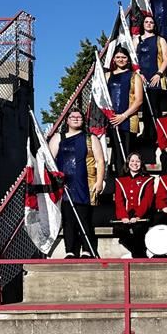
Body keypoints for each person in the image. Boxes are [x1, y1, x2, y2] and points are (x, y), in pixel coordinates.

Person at [48, 108, 105, 258]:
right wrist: (56, 181)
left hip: (84, 184)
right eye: (72, 117)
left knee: (85, 218)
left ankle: (87, 250)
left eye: (79, 117)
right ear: (67, 120)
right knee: (68, 220)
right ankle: (70, 251)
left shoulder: (90, 138)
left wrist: (99, 182)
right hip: (65, 186)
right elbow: (49, 162)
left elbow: (100, 161)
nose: (75, 119)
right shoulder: (57, 138)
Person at [106, 46, 144, 167]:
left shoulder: (134, 76)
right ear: (113, 59)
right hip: (112, 120)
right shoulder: (107, 76)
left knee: (127, 153)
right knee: (116, 155)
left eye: (123, 57)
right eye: (118, 57)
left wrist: (123, 116)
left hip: (128, 120)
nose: (121, 59)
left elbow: (139, 100)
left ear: (128, 59)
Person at [113, 151, 154, 258]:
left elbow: (147, 200)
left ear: (141, 163)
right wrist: (123, 217)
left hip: (141, 215)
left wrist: (137, 216)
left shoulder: (148, 179)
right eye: (132, 161)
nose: (135, 163)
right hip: (125, 215)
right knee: (119, 230)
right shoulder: (120, 180)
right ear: (128, 163)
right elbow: (119, 200)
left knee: (138, 231)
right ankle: (141, 255)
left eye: (137, 161)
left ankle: (138, 257)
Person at [134, 14, 167, 121]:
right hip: (141, 77)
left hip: (155, 77)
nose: (149, 24)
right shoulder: (136, 40)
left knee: (155, 107)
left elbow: (166, 59)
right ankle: (146, 135)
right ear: (143, 24)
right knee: (144, 107)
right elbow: (133, 59)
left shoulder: (160, 40)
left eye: (151, 22)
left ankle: (156, 133)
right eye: (146, 22)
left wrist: (159, 74)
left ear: (154, 25)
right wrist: (139, 73)